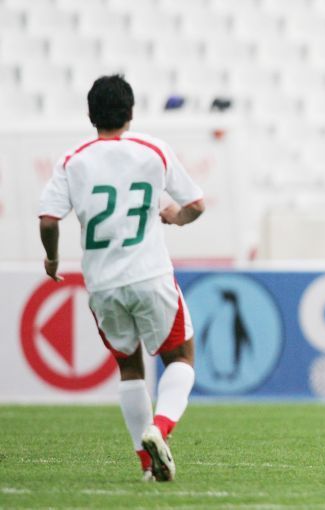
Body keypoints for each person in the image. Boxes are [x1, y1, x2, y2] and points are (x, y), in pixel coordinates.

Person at [37, 75, 206, 480]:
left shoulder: (73, 159)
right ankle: (160, 429)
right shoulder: (152, 149)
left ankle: (147, 466)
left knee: (129, 368)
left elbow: (48, 220)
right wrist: (175, 217)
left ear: (90, 114)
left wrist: (53, 259)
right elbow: (196, 205)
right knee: (181, 357)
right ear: (130, 112)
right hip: (149, 273)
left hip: (103, 283)